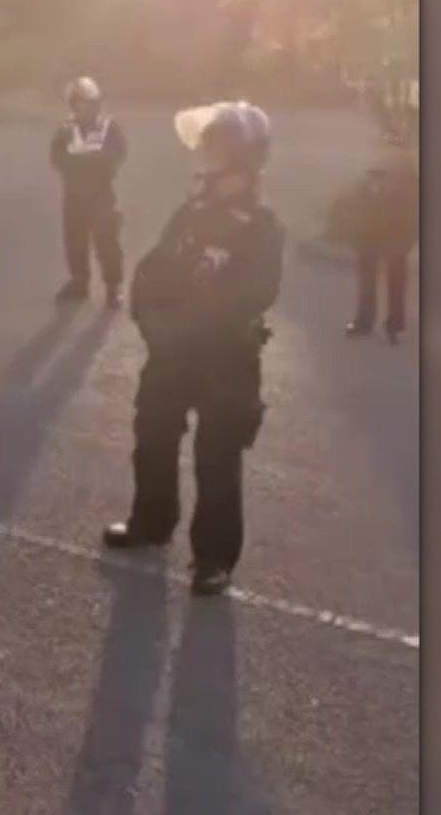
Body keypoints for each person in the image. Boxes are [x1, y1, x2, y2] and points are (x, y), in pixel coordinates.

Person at [103, 101, 284, 597]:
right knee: (154, 436)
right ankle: (151, 522)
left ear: (241, 160)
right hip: (171, 353)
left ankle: (214, 558)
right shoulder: (191, 213)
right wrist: (152, 322)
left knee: (217, 456)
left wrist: (193, 325)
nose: (207, 158)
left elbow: (258, 291)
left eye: (217, 148)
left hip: (226, 361)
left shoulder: (261, 226)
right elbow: (152, 271)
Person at [49, 77, 128, 305]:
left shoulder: (109, 127)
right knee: (74, 241)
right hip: (74, 195)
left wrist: (86, 163)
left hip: (102, 195)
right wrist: (87, 162)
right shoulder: (65, 129)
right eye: (77, 103)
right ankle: (79, 282)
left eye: (85, 103)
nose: (81, 108)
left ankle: (113, 287)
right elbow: (57, 158)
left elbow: (117, 153)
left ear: (95, 104)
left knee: (107, 242)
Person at [343, 144, 419, 344]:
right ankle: (366, 322)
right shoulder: (376, 160)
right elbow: (361, 193)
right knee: (369, 276)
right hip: (372, 229)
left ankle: (394, 324)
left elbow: (413, 203)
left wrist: (410, 233)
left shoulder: (406, 169)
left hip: (396, 228)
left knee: (395, 278)